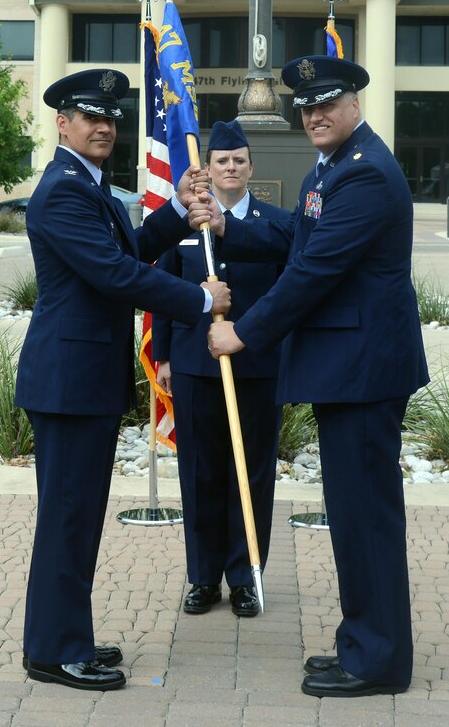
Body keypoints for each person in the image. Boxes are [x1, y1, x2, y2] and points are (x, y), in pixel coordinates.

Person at [192, 55, 429, 698]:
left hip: (364, 372)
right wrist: (227, 229)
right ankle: (363, 643)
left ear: (355, 102)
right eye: (306, 107)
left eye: (327, 102)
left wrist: (241, 332)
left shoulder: (368, 175)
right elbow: (297, 236)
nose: (315, 115)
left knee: (366, 519)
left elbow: (313, 272)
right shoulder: (335, 168)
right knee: (354, 517)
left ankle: (376, 662)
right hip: (346, 371)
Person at [14, 69, 231, 692]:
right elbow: (112, 274)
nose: (104, 126)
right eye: (90, 117)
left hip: (83, 379)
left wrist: (172, 213)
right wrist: (197, 297)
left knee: (77, 517)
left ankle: (65, 637)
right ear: (63, 123)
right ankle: (54, 651)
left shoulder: (88, 186)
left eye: (111, 118)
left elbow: (128, 251)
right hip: (67, 381)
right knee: (67, 517)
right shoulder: (62, 191)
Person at [152, 120, 289, 618]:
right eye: (221, 161)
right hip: (192, 366)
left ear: (251, 167)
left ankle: (245, 575)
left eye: (238, 160)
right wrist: (164, 355)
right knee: (200, 473)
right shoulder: (188, 224)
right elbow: (162, 290)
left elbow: (286, 295)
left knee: (250, 475)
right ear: (207, 170)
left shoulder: (276, 225)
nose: (230, 168)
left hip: (255, 368)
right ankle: (203, 576)